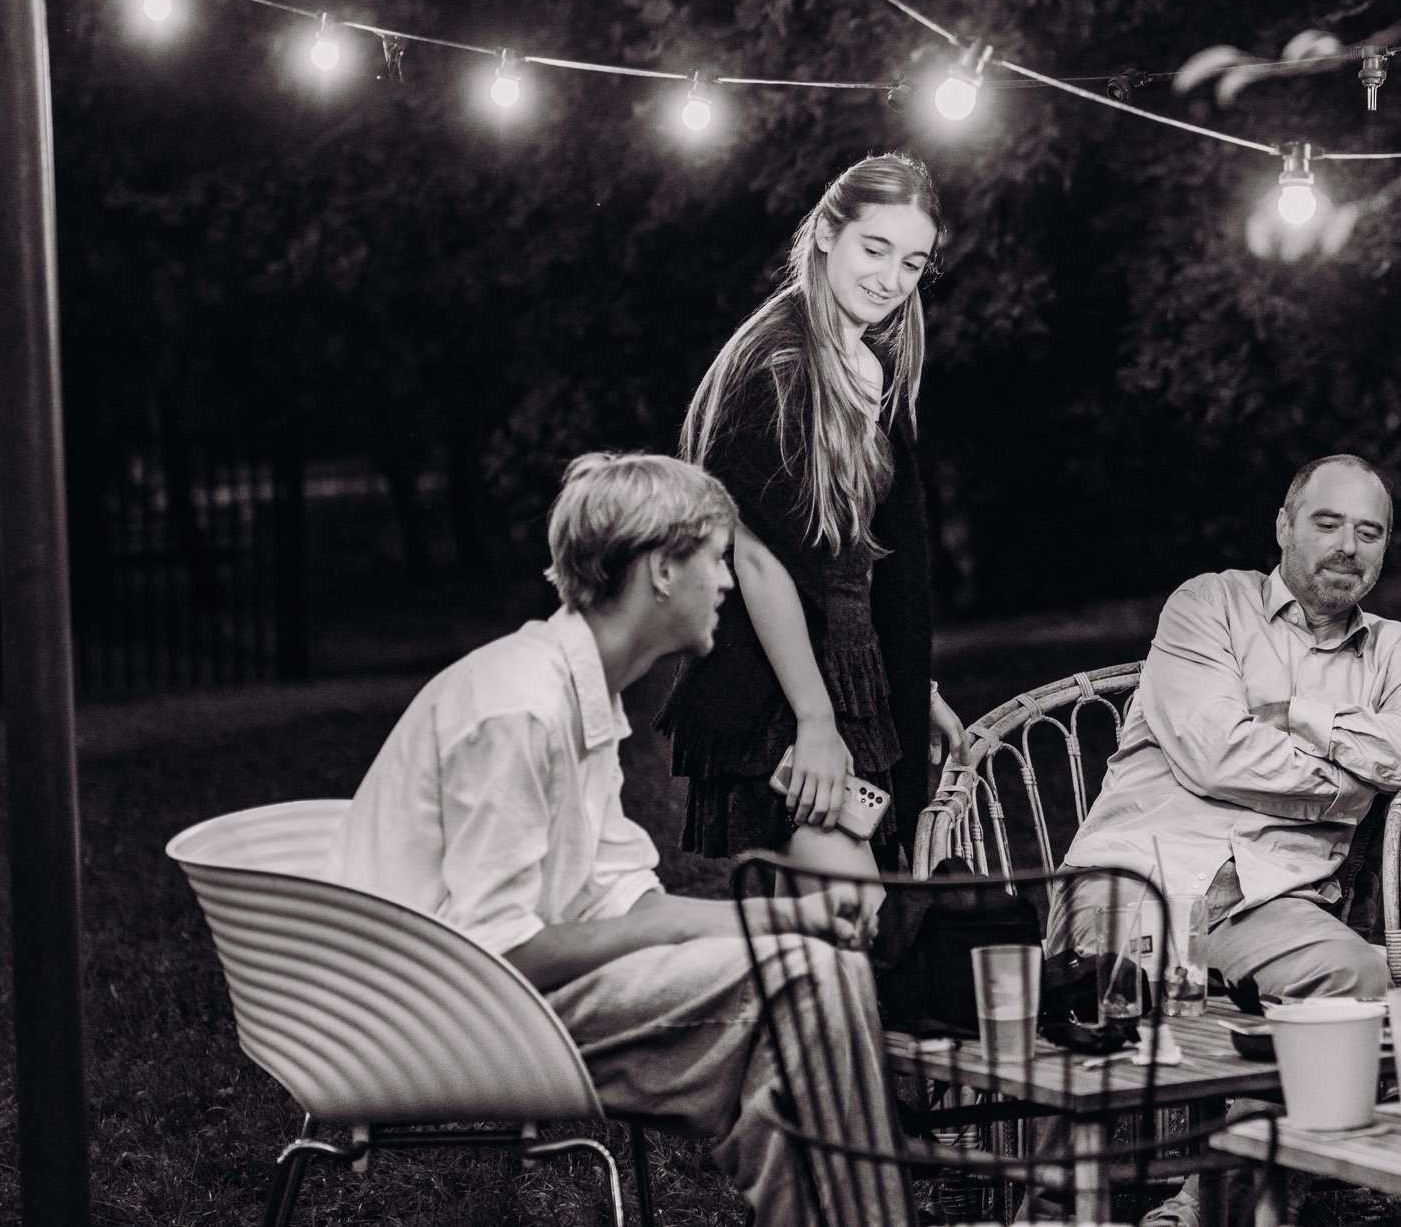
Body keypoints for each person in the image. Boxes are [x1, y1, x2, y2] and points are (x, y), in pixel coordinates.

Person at [327, 453, 903, 1225]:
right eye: (715, 559)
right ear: (662, 569)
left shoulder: (576, 690)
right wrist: (757, 935)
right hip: (436, 1015)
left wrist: (787, 920)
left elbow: (630, 902)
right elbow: (499, 948)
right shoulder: (520, 706)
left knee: (808, 980)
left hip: (497, 992)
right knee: (805, 990)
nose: (728, 582)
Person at [658, 153, 965, 873]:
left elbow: (860, 559)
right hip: (780, 687)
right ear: (828, 232)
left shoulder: (865, 365)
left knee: (847, 949)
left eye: (913, 263)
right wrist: (815, 719)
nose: (890, 280)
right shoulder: (778, 365)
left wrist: (908, 682)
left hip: (853, 675)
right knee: (847, 922)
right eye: (875, 248)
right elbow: (762, 557)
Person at [1065, 455, 1401, 1003]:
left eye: (1367, 532)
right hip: (1138, 881)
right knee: (1127, 1012)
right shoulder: (1209, 604)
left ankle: (1261, 1090)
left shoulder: (1393, 650)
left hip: (1268, 906)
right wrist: (1348, 790)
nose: (1348, 546)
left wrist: (1307, 718)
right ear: (1284, 527)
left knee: (1359, 977)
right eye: (1327, 524)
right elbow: (1218, 756)